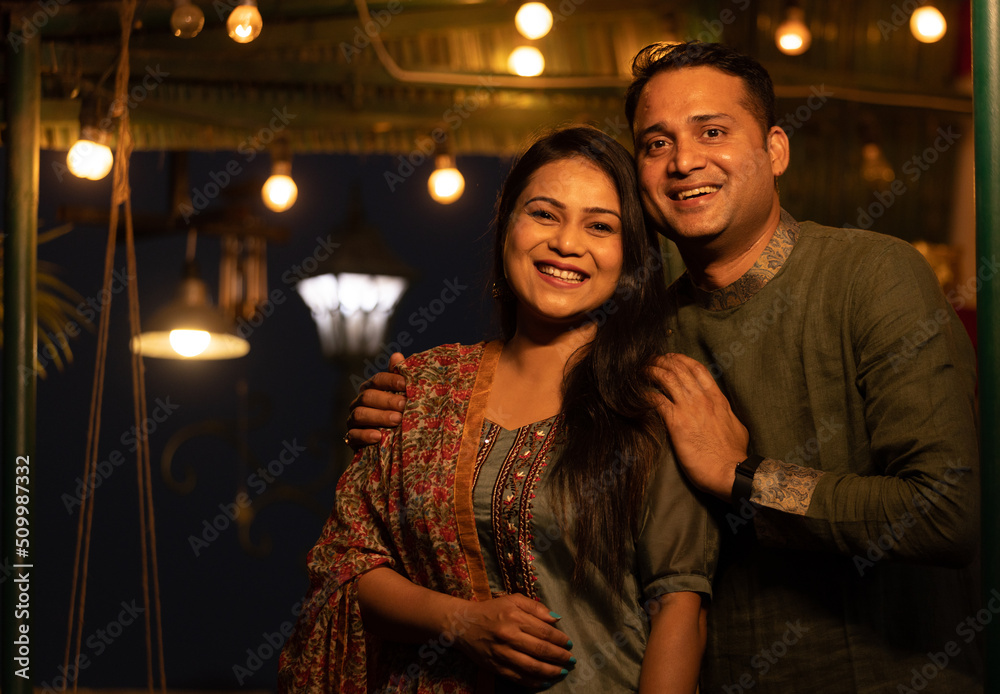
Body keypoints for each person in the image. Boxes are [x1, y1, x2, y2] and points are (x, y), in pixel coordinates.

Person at [349, 43, 982, 692]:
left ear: (776, 150)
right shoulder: (640, 335)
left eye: (712, 131)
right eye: (656, 143)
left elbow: (946, 512)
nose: (684, 161)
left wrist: (744, 477)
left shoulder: (872, 275)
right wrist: (413, 415)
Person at [280, 126, 719, 693]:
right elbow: (345, 569)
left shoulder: (652, 405)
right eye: (544, 214)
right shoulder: (422, 390)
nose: (566, 243)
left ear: (630, 257)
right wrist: (457, 620)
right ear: (506, 226)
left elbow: (680, 608)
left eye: (600, 226)